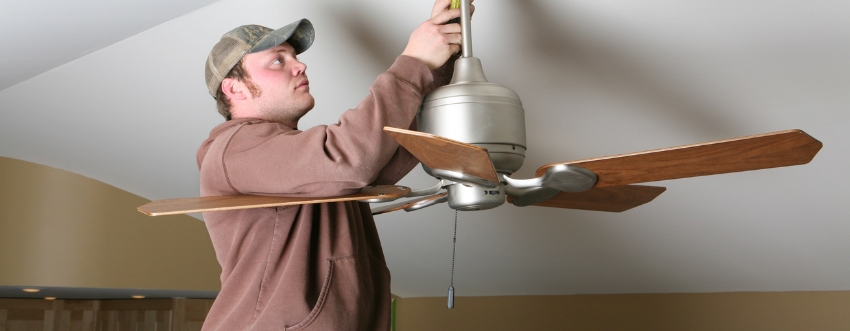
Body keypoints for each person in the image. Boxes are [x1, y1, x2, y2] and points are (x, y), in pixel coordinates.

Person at [196, 1, 471, 330]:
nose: (299, 66)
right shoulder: (233, 148)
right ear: (234, 88)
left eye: (295, 57)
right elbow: (350, 159)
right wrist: (413, 62)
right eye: (277, 60)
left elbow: (387, 151)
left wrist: (438, 57)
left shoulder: (295, 157)